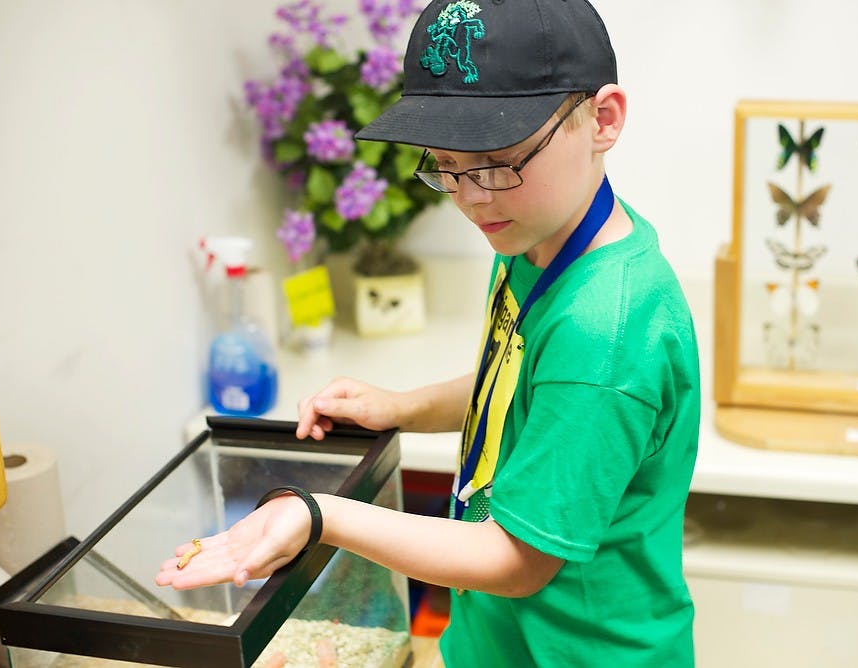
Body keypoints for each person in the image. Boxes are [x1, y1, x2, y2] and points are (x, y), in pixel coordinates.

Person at [157, 1, 701, 665]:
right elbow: (523, 388)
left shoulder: (607, 328)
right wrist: (401, 408)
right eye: (445, 165)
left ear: (603, 118)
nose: (471, 196)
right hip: (495, 642)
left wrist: (320, 514)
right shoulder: (535, 236)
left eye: (499, 162)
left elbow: (517, 559)